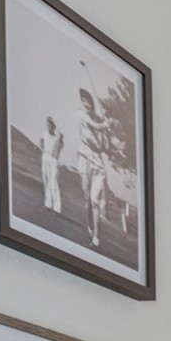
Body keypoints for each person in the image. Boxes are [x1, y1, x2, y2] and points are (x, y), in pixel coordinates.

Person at [77, 89, 110, 248]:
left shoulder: (99, 119)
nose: (86, 103)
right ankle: (90, 225)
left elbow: (105, 147)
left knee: (94, 200)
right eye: (83, 100)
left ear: (92, 103)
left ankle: (96, 236)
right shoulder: (80, 114)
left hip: (98, 163)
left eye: (88, 100)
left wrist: (108, 129)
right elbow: (95, 126)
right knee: (87, 200)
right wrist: (104, 125)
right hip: (84, 159)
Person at [39, 116, 65, 214]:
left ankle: (57, 208)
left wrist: (55, 120)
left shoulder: (57, 138)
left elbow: (61, 133)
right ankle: (48, 204)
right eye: (48, 124)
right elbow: (41, 140)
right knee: (46, 181)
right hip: (45, 157)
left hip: (53, 160)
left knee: (53, 182)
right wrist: (42, 149)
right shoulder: (44, 134)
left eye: (51, 125)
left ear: (54, 127)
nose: (48, 126)